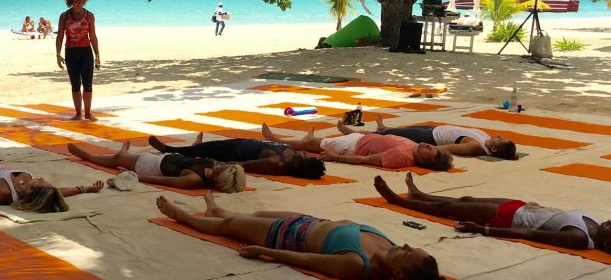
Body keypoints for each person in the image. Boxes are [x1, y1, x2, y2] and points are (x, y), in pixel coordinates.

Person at [156, 191, 444, 280]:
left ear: (398, 276)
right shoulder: (389, 249)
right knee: (255, 214)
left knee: (229, 225)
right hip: (309, 222)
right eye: (409, 245)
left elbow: (307, 259)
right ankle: (216, 208)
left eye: (406, 252)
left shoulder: (358, 265)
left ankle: (182, 216)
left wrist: (264, 252)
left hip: (288, 236)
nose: (403, 245)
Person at [374, 173, 611, 252]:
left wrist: (484, 230)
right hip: (524, 207)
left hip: (512, 218)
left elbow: (528, 235)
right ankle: (421, 196)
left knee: (448, 210)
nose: (609, 221)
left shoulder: (579, 238)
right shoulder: (598, 225)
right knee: (466, 199)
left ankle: (397, 201)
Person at [261, 123, 453, 171]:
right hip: (360, 139)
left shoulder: (401, 157)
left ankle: (275, 139)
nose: (428, 145)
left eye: (430, 150)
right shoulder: (415, 148)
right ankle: (312, 138)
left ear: (425, 160)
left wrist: (336, 157)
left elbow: (366, 160)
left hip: (355, 146)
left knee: (310, 145)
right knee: (316, 142)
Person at [67, 141, 245, 193]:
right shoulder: (212, 164)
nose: (224, 164)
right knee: (122, 157)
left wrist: (135, 176)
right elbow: (194, 157)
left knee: (118, 159)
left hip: (151, 166)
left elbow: (165, 180)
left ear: (218, 178)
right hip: (167, 158)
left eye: (226, 167)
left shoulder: (194, 179)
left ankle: (88, 156)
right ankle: (123, 153)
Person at [148, 133, 325, 179]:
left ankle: (167, 149)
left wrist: (216, 164)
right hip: (244, 142)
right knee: (202, 147)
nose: (304, 153)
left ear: (297, 166)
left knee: (200, 151)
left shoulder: (275, 163)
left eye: (306, 157)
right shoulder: (292, 155)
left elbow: (245, 165)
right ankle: (193, 147)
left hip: (233, 150)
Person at [342, 115, 517, 160]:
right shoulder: (486, 139)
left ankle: (354, 134)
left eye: (500, 140)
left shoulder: (476, 146)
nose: (499, 136)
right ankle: (384, 128)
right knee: (402, 130)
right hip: (436, 129)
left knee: (391, 136)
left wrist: (421, 149)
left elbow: (447, 148)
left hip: (431, 137)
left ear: (493, 149)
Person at [55, 0, 100, 121]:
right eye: (76, 1)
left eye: (81, 0)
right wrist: (58, 54)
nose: (79, 3)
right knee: (75, 84)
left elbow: (93, 36)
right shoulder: (64, 16)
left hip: (86, 52)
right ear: (71, 0)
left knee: (88, 84)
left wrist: (97, 55)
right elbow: (60, 36)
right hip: (71, 52)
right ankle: (78, 114)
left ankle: (87, 113)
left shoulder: (90, 15)